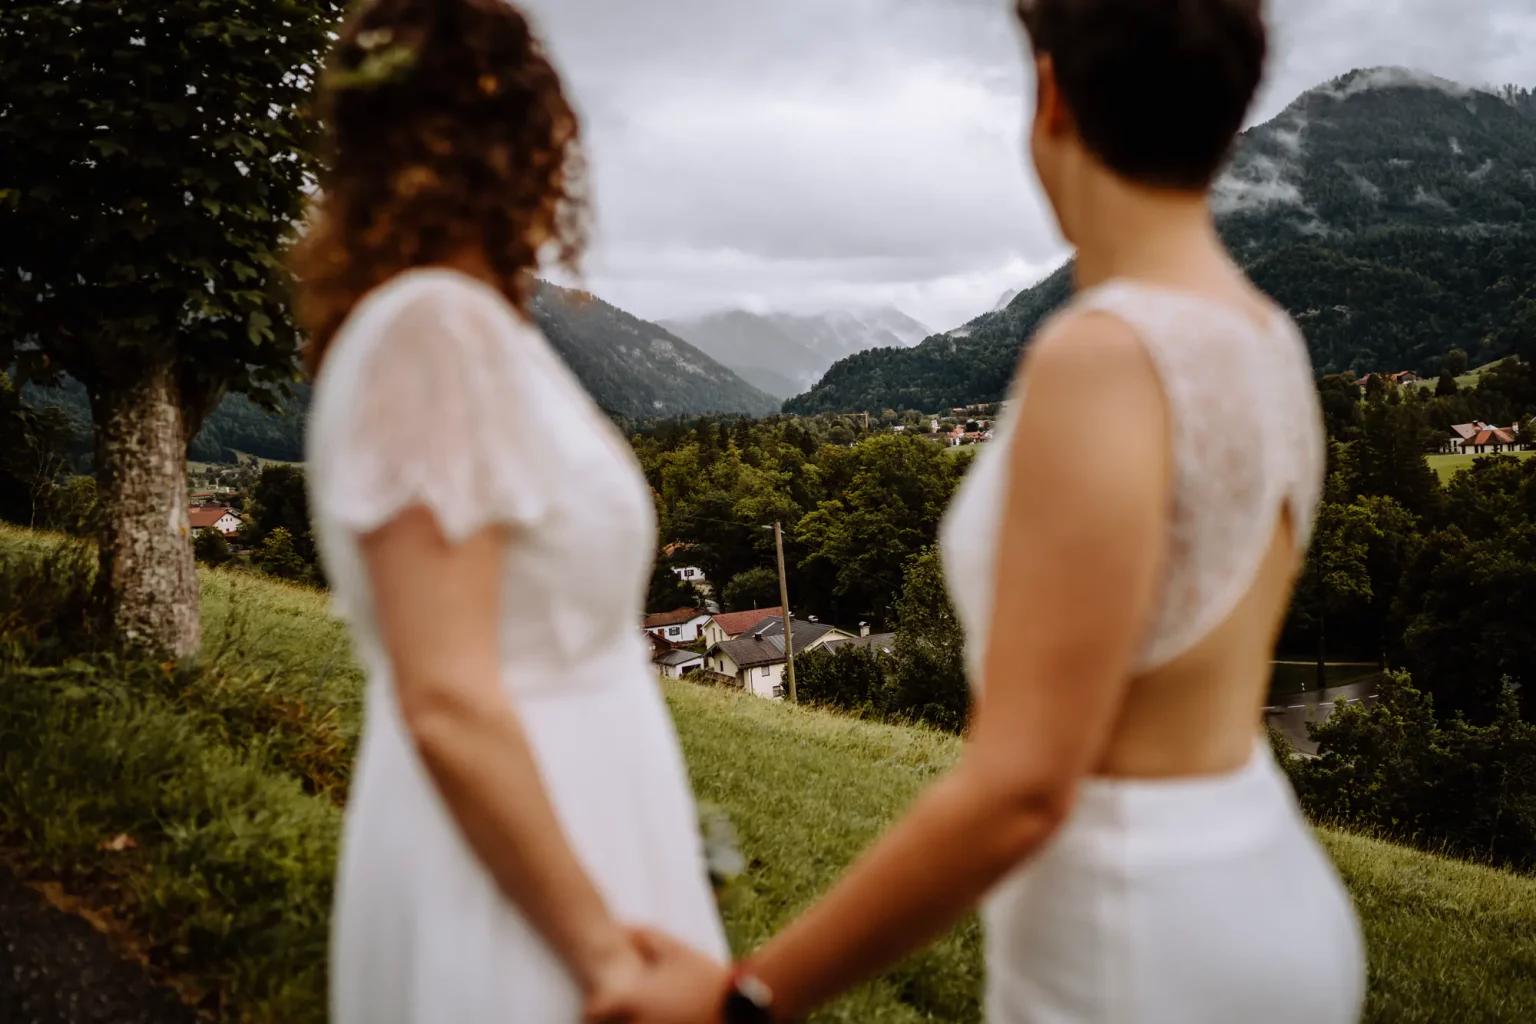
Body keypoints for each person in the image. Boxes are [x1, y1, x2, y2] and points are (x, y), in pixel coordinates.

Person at [599, 1, 1366, 1021]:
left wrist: (743, 998)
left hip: (1136, 941)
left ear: (1050, 96)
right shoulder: (1269, 340)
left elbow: (1022, 788)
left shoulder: (1100, 358)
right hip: (1271, 886)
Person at [292, 2, 727, 1021]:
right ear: (517, 145)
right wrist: (603, 957)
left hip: (579, 818)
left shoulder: (465, 326)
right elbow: (443, 695)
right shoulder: (433, 332)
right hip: (524, 871)